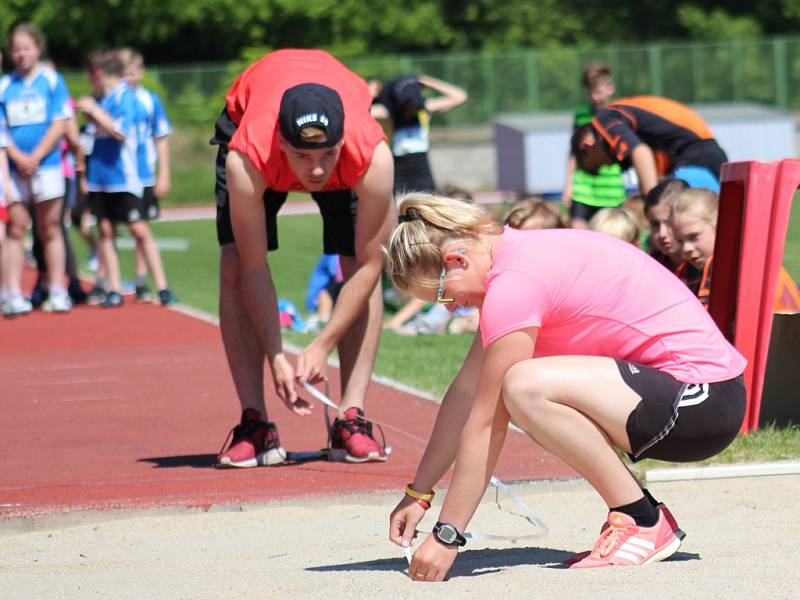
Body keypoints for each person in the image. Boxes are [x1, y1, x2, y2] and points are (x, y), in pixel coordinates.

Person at [384, 192, 747, 580]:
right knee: (517, 384)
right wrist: (419, 493)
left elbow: (488, 422)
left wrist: (447, 535)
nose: (451, 308)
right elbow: (465, 394)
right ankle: (638, 515)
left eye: (442, 295)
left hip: (701, 403)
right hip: (701, 398)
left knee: (522, 386)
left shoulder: (514, 285)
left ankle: (640, 519)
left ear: (457, 259)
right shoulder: (513, 266)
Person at [211, 49, 395, 468]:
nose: (315, 172)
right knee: (235, 262)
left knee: (355, 260)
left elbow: (370, 266)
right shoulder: (249, 156)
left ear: (342, 142)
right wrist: (278, 354)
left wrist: (321, 345)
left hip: (348, 139)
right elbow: (255, 267)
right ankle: (255, 425)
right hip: (249, 117)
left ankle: (351, 418)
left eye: (326, 156)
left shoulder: (372, 156)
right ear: (281, 143)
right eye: (304, 157)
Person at [77, 49, 175, 308]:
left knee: (139, 229)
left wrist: (94, 111)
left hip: (125, 176)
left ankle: (162, 285)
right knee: (105, 231)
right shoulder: (104, 99)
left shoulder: (126, 98)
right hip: (101, 177)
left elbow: (121, 131)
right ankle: (114, 287)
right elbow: (90, 138)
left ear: (98, 73)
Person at [0, 23, 72, 314]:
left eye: (26, 48)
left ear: (37, 48)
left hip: (48, 166)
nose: (21, 55)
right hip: (16, 170)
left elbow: (60, 122)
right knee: (16, 228)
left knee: (50, 228)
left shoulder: (53, 81)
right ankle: (13, 293)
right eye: (16, 50)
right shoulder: (5, 86)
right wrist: (18, 158)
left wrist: (37, 155)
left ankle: (57, 289)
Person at [670, 188, 800, 312]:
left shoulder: (728, 265)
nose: (686, 249)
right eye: (680, 241)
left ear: (720, 225)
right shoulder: (738, 256)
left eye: (693, 237)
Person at [572, 95, 728, 196]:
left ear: (586, 145)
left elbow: (640, 152)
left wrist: (651, 203)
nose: (608, 164)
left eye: (597, 164)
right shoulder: (628, 123)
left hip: (695, 154)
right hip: (704, 153)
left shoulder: (604, 118)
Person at [118, 47, 176, 304]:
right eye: (123, 73)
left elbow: (161, 137)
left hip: (143, 173)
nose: (128, 78)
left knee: (141, 227)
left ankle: (144, 280)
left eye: (132, 73)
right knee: (129, 228)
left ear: (140, 73)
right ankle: (151, 282)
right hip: (120, 174)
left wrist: (164, 173)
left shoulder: (149, 100)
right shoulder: (115, 99)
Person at [372, 74, 467, 194]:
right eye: (407, 104)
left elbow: (460, 96)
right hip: (397, 172)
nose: (411, 108)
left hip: (422, 170)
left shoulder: (424, 110)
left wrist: (429, 82)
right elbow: (359, 112)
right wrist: (371, 94)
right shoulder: (387, 114)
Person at [561, 63, 627, 228]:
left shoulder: (619, 113)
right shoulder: (581, 114)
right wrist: (568, 186)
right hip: (583, 188)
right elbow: (574, 152)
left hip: (611, 190)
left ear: (610, 88)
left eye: (598, 91)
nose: (594, 96)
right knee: (578, 235)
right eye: (590, 91)